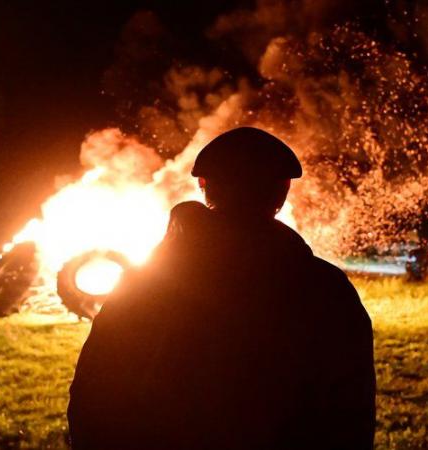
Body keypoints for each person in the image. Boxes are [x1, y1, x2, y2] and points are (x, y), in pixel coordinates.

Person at [67, 127, 375, 449]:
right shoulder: (324, 289)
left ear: (203, 185)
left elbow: (94, 396)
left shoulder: (146, 283)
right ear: (282, 192)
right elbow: (350, 413)